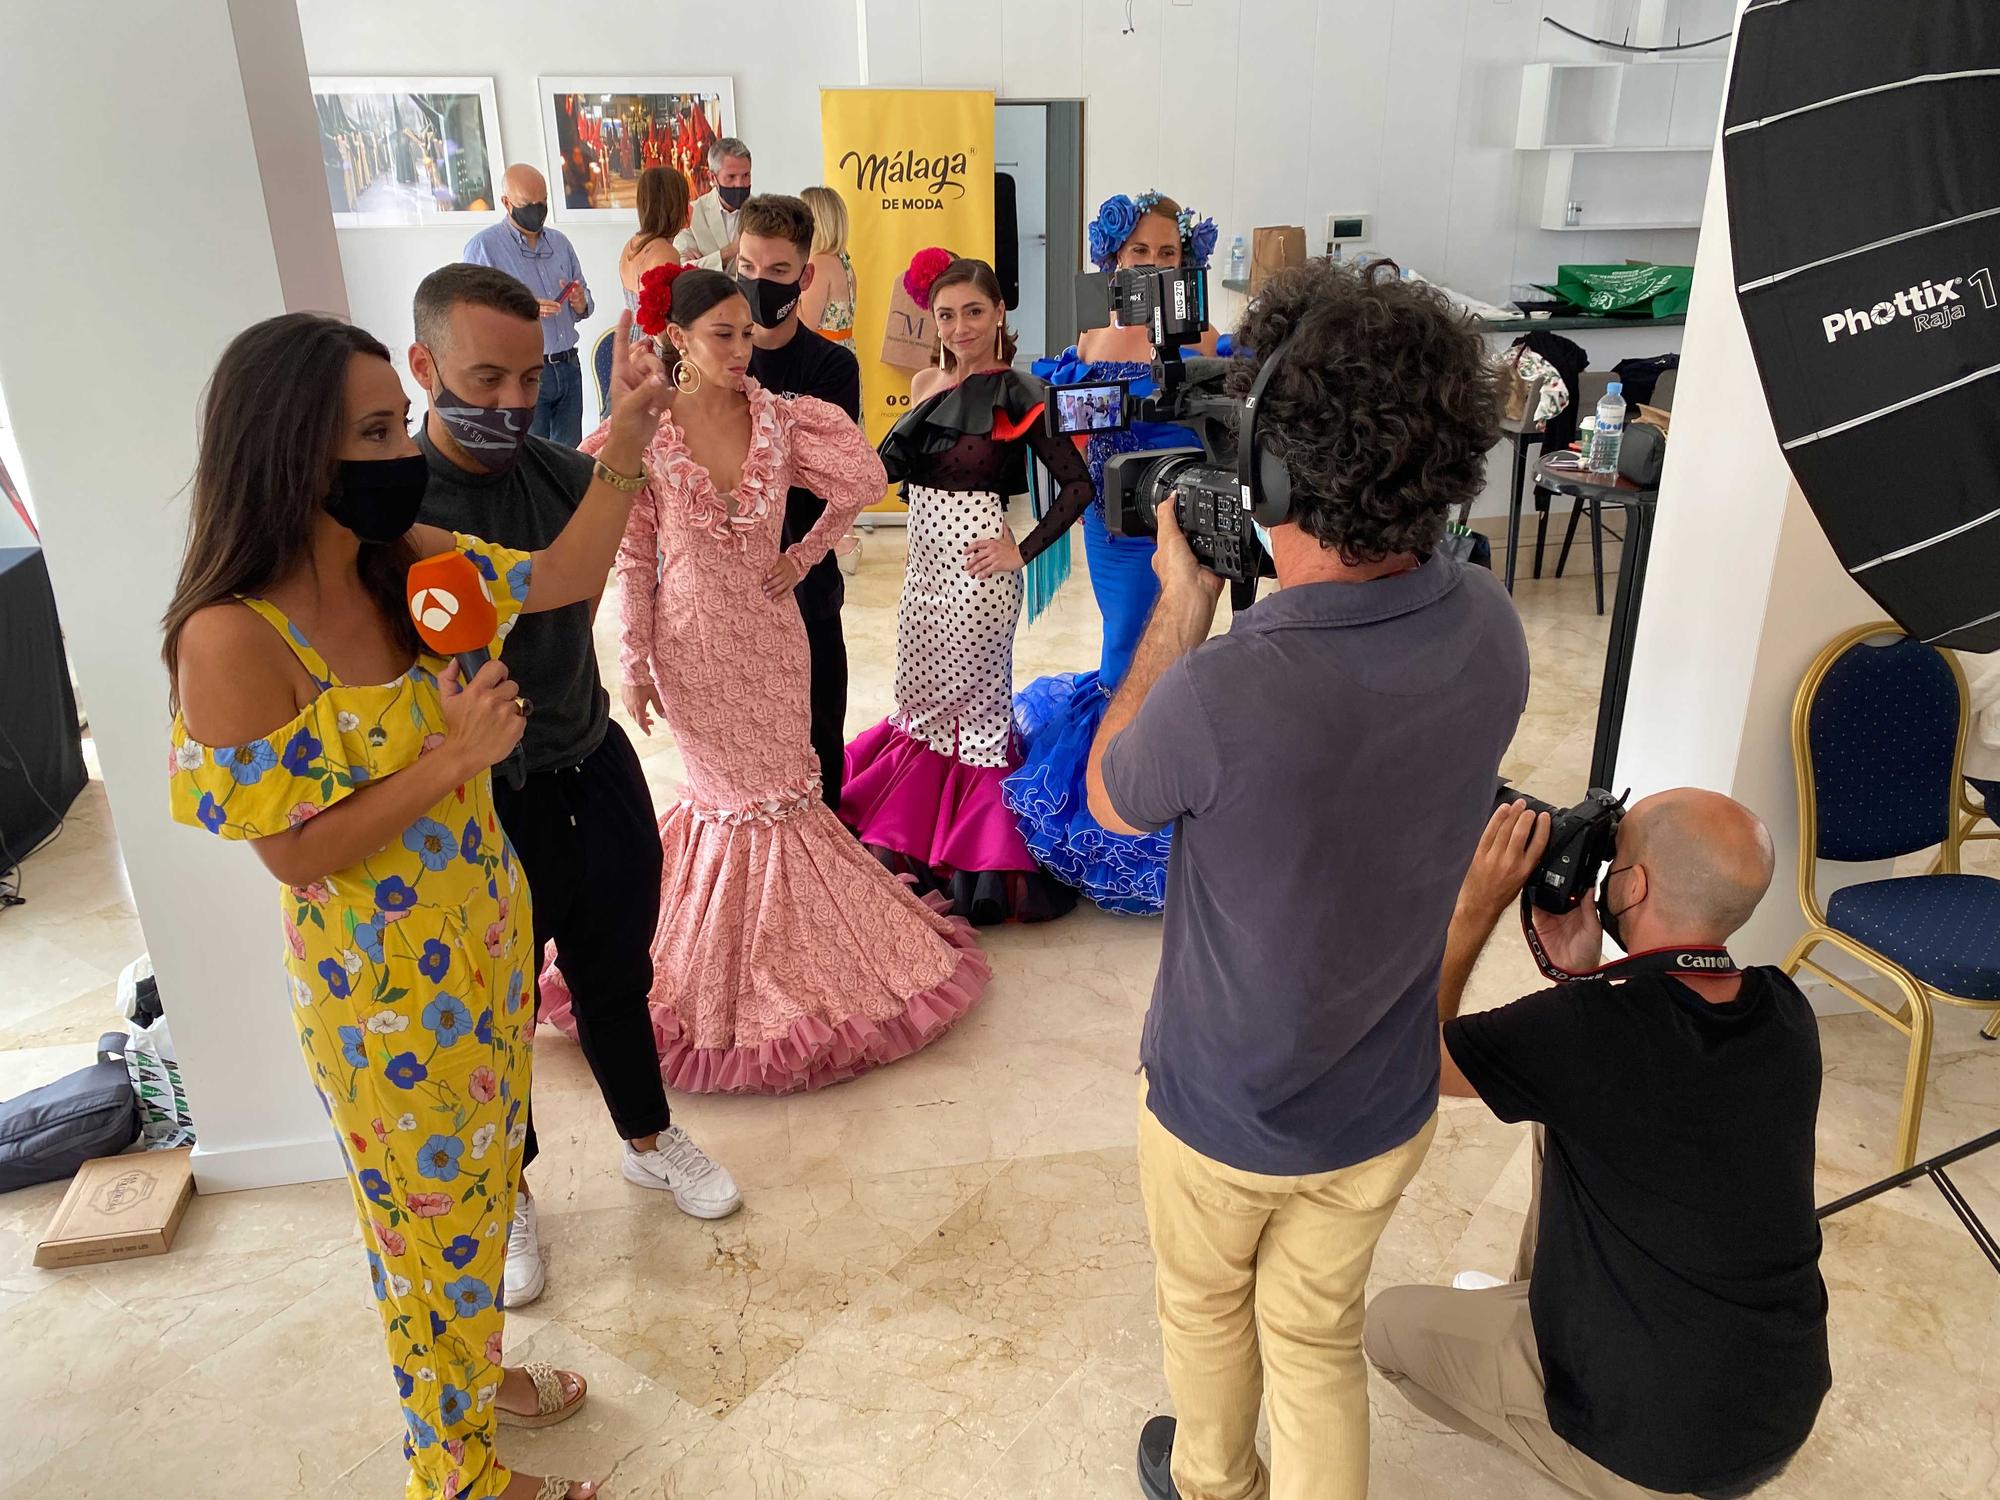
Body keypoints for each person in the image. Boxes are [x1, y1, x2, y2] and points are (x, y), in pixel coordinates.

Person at [163, 307, 670, 1500]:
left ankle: (471, 1373)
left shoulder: (405, 566)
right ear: (287, 451)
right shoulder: (234, 635)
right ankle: (457, 1475)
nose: (403, 450)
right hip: (383, 1001)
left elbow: (564, 575)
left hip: (484, 944)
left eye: (399, 423)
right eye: (375, 430)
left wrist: (631, 437)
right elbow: (290, 854)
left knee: (479, 1199)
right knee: (425, 1237)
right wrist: (448, 763)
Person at [1084, 262, 1529, 1500]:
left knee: (1207, 1312)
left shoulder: (1228, 692)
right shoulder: (1492, 623)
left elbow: (1111, 796)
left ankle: (1215, 1480)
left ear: (1271, 472)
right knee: (1317, 1337)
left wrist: (1183, 604)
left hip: (1221, 1108)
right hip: (1382, 1101)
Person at [564, 265, 988, 1092]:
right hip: (691, 641)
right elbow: (632, 552)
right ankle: (719, 974)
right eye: (721, 335)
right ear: (678, 339)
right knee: (722, 802)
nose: (740, 351)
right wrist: (637, 662)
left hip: (771, 634)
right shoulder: (644, 430)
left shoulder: (781, 417)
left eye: (747, 335)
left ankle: (809, 961)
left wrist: (801, 556)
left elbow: (863, 480)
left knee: (788, 793)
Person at [409, 264, 741, 1316]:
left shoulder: (561, 471)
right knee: (497, 1006)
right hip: (473, 798)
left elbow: (624, 558)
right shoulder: (395, 509)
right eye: (482, 377)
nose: (510, 402)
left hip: (588, 764)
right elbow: (544, 583)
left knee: (615, 971)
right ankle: (506, 1192)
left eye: (529, 376)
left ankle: (646, 1137)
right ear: (423, 368)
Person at [1366, 789, 1831, 1500]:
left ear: (1634, 885)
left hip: (1650, 1449)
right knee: (1563, 1124)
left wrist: (1475, 906)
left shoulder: (1589, 1031)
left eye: (1616, 860)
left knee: (1387, 1328)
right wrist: (1583, 972)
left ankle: (1577, 1458)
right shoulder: (1784, 1010)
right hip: (1778, 1405)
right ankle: (1529, 1312)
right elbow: (1635, 1071)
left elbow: (1402, 1062)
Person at [839, 254, 1095, 925]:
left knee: (977, 717)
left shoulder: (1019, 393)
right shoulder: (925, 380)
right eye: (946, 314)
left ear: (1000, 312)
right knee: (920, 702)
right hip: (920, 572)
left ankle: (974, 861)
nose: (959, 326)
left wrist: (1023, 551)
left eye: (973, 312)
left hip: (981, 574)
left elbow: (1078, 486)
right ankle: (913, 835)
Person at [1005, 191, 1219, 915]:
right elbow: (1073, 442)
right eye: (1141, 254)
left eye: (1169, 254)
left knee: (1183, 650)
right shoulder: (1094, 341)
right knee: (1129, 649)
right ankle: (1123, 799)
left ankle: (1166, 781)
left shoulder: (1211, 338)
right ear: (1114, 262)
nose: (1156, 266)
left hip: (1192, 525)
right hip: (1116, 527)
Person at [734, 194, 863, 809]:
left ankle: (828, 842)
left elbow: (828, 477)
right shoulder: (711, 363)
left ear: (805, 275)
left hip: (806, 571)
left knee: (818, 722)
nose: (760, 284)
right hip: (730, 579)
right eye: (748, 268)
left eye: (778, 272)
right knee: (749, 723)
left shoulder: (833, 368)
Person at [463, 164, 594, 446]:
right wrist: (524, 308)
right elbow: (474, 317)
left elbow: (585, 303)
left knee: (570, 457)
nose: (537, 210)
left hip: (569, 366)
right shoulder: (484, 247)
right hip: (524, 374)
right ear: (506, 203)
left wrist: (580, 303)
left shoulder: (560, 243)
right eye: (527, 204)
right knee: (530, 460)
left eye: (543, 202)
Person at [619, 165, 690, 333]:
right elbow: (663, 318)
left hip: (636, 337)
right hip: (657, 344)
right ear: (676, 204)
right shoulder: (665, 252)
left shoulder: (631, 244)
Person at [674, 136, 752, 271]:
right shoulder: (692, 212)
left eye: (746, 175)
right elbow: (681, 269)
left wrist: (705, 263)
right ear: (712, 177)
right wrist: (731, 250)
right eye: (731, 177)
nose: (740, 184)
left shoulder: (763, 214)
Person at [796, 184, 858, 341]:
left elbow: (805, 324)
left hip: (823, 357)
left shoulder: (818, 263)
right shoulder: (843, 262)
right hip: (842, 353)